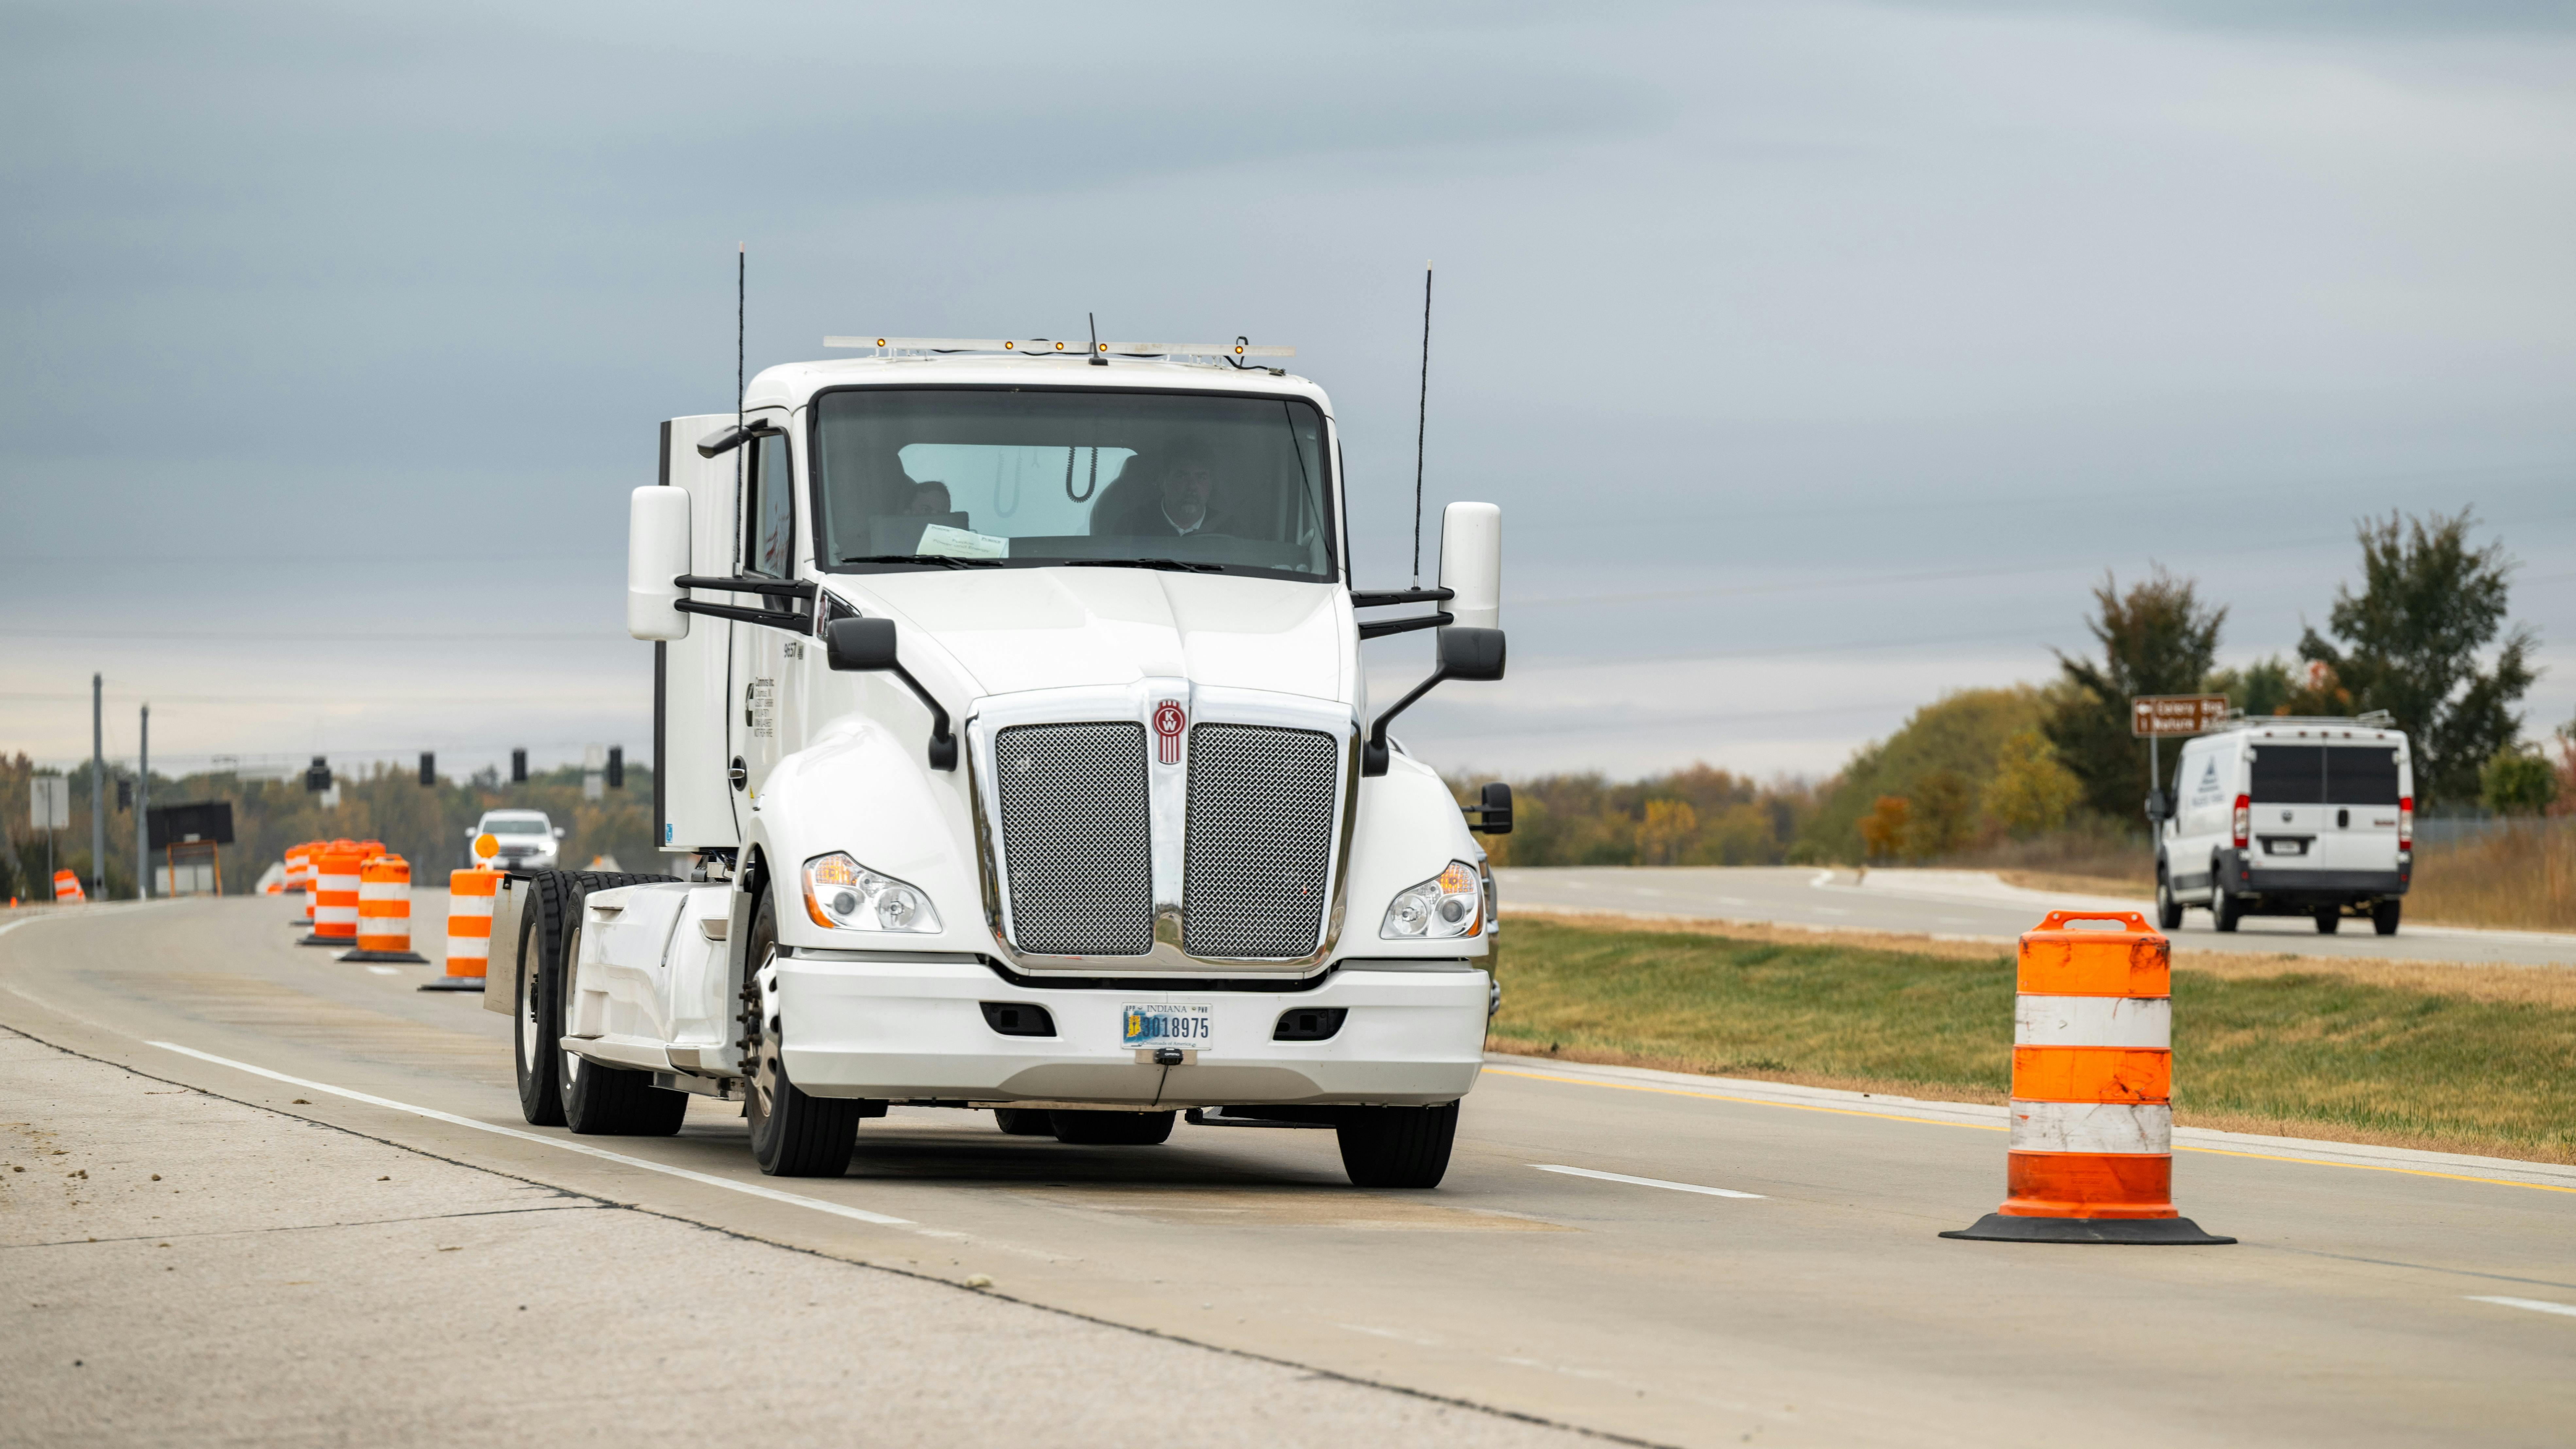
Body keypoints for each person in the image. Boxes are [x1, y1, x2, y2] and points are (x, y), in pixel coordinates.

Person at [1090, 449, 1222, 537]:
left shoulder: (1229, 529)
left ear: (1211, 485)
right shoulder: (1130, 527)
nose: (1192, 486)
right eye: (1182, 476)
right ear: (1163, 483)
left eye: (1202, 477)